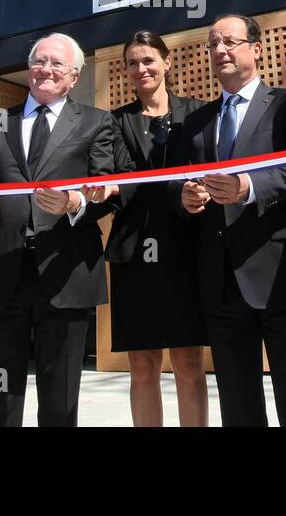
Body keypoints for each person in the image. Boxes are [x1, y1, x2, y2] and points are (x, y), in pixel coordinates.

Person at [179, 14, 286, 427]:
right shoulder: (196, 122)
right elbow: (180, 183)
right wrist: (188, 198)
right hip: (221, 285)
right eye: (212, 44)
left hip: (281, 277)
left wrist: (247, 186)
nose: (220, 50)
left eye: (230, 41)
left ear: (256, 49)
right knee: (238, 402)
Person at [0, 34, 118, 427]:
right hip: (4, 271)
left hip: (65, 270)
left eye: (57, 64)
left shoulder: (97, 122)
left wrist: (75, 204)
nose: (45, 70)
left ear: (73, 77)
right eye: (39, 61)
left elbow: (106, 190)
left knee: (60, 394)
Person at [108, 31, 208, 427]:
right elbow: (123, 179)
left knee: (187, 360)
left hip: (187, 249)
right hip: (135, 253)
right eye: (132, 62)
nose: (141, 69)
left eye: (149, 60)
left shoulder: (199, 114)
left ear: (167, 62)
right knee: (142, 363)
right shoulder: (115, 122)